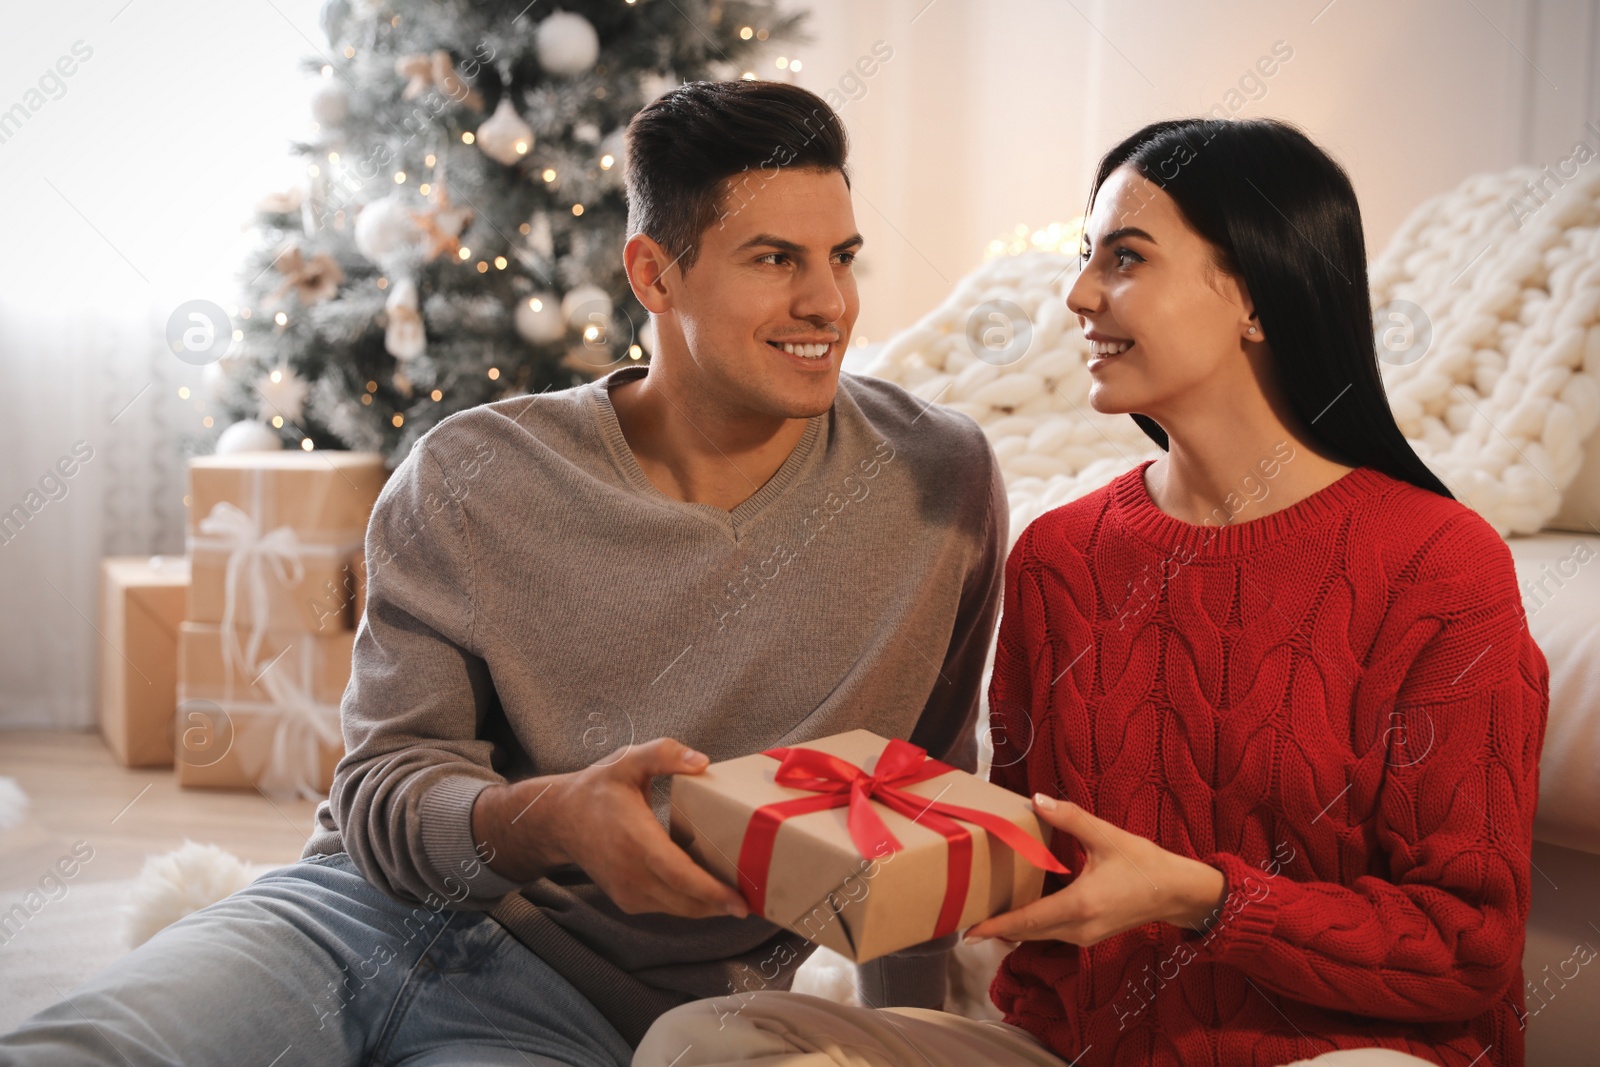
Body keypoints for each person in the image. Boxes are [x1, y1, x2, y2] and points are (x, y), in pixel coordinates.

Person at [0, 81, 1007, 1066]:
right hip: (347, 922)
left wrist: (908, 1040)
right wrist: (553, 819)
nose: (828, 301)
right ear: (654, 275)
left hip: (589, 1017)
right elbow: (384, 788)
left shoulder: (934, 483)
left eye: (841, 256)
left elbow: (921, 803)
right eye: (775, 259)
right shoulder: (475, 471)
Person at [633, 119, 1550, 1067]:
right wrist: (851, 851)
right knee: (709, 1038)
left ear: (1256, 295)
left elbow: (1466, 945)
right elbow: (1036, 890)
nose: (1077, 294)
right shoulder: (1061, 555)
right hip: (1077, 1054)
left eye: (1125, 257)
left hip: (1341, 1055)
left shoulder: (1439, 564)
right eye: (1086, 257)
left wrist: (1200, 897)